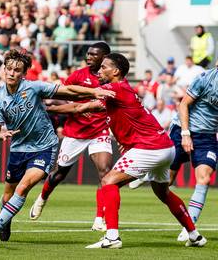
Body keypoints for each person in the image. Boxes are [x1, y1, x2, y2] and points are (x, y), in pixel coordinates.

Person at [0, 49, 115, 246]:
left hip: (44, 147)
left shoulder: (34, 87)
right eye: (9, 69)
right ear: (3, 70)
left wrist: (94, 92)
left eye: (17, 70)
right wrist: (1, 134)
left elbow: (69, 90)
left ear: (23, 73)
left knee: (22, 188)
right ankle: (6, 220)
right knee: (8, 195)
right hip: (18, 149)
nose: (12, 73)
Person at [71, 53, 206, 248]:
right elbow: (79, 106)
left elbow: (78, 95)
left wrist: (51, 91)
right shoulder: (122, 89)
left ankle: (112, 237)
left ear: (116, 71)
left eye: (103, 67)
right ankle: (194, 235)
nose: (99, 71)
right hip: (165, 147)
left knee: (109, 181)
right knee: (163, 192)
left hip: (149, 148)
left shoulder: (115, 88)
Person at [29, 42, 113, 232]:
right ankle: (42, 198)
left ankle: (100, 218)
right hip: (76, 132)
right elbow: (61, 93)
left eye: (93, 54)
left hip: (100, 131)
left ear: (105, 57)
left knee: (105, 172)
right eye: (88, 54)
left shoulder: (111, 78)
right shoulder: (79, 75)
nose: (88, 57)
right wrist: (52, 107)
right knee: (59, 174)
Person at [167, 68, 218, 242]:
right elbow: (183, 104)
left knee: (204, 178)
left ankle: (189, 227)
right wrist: (185, 134)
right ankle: (148, 171)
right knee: (165, 182)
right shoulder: (205, 79)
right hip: (182, 129)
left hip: (207, 137)